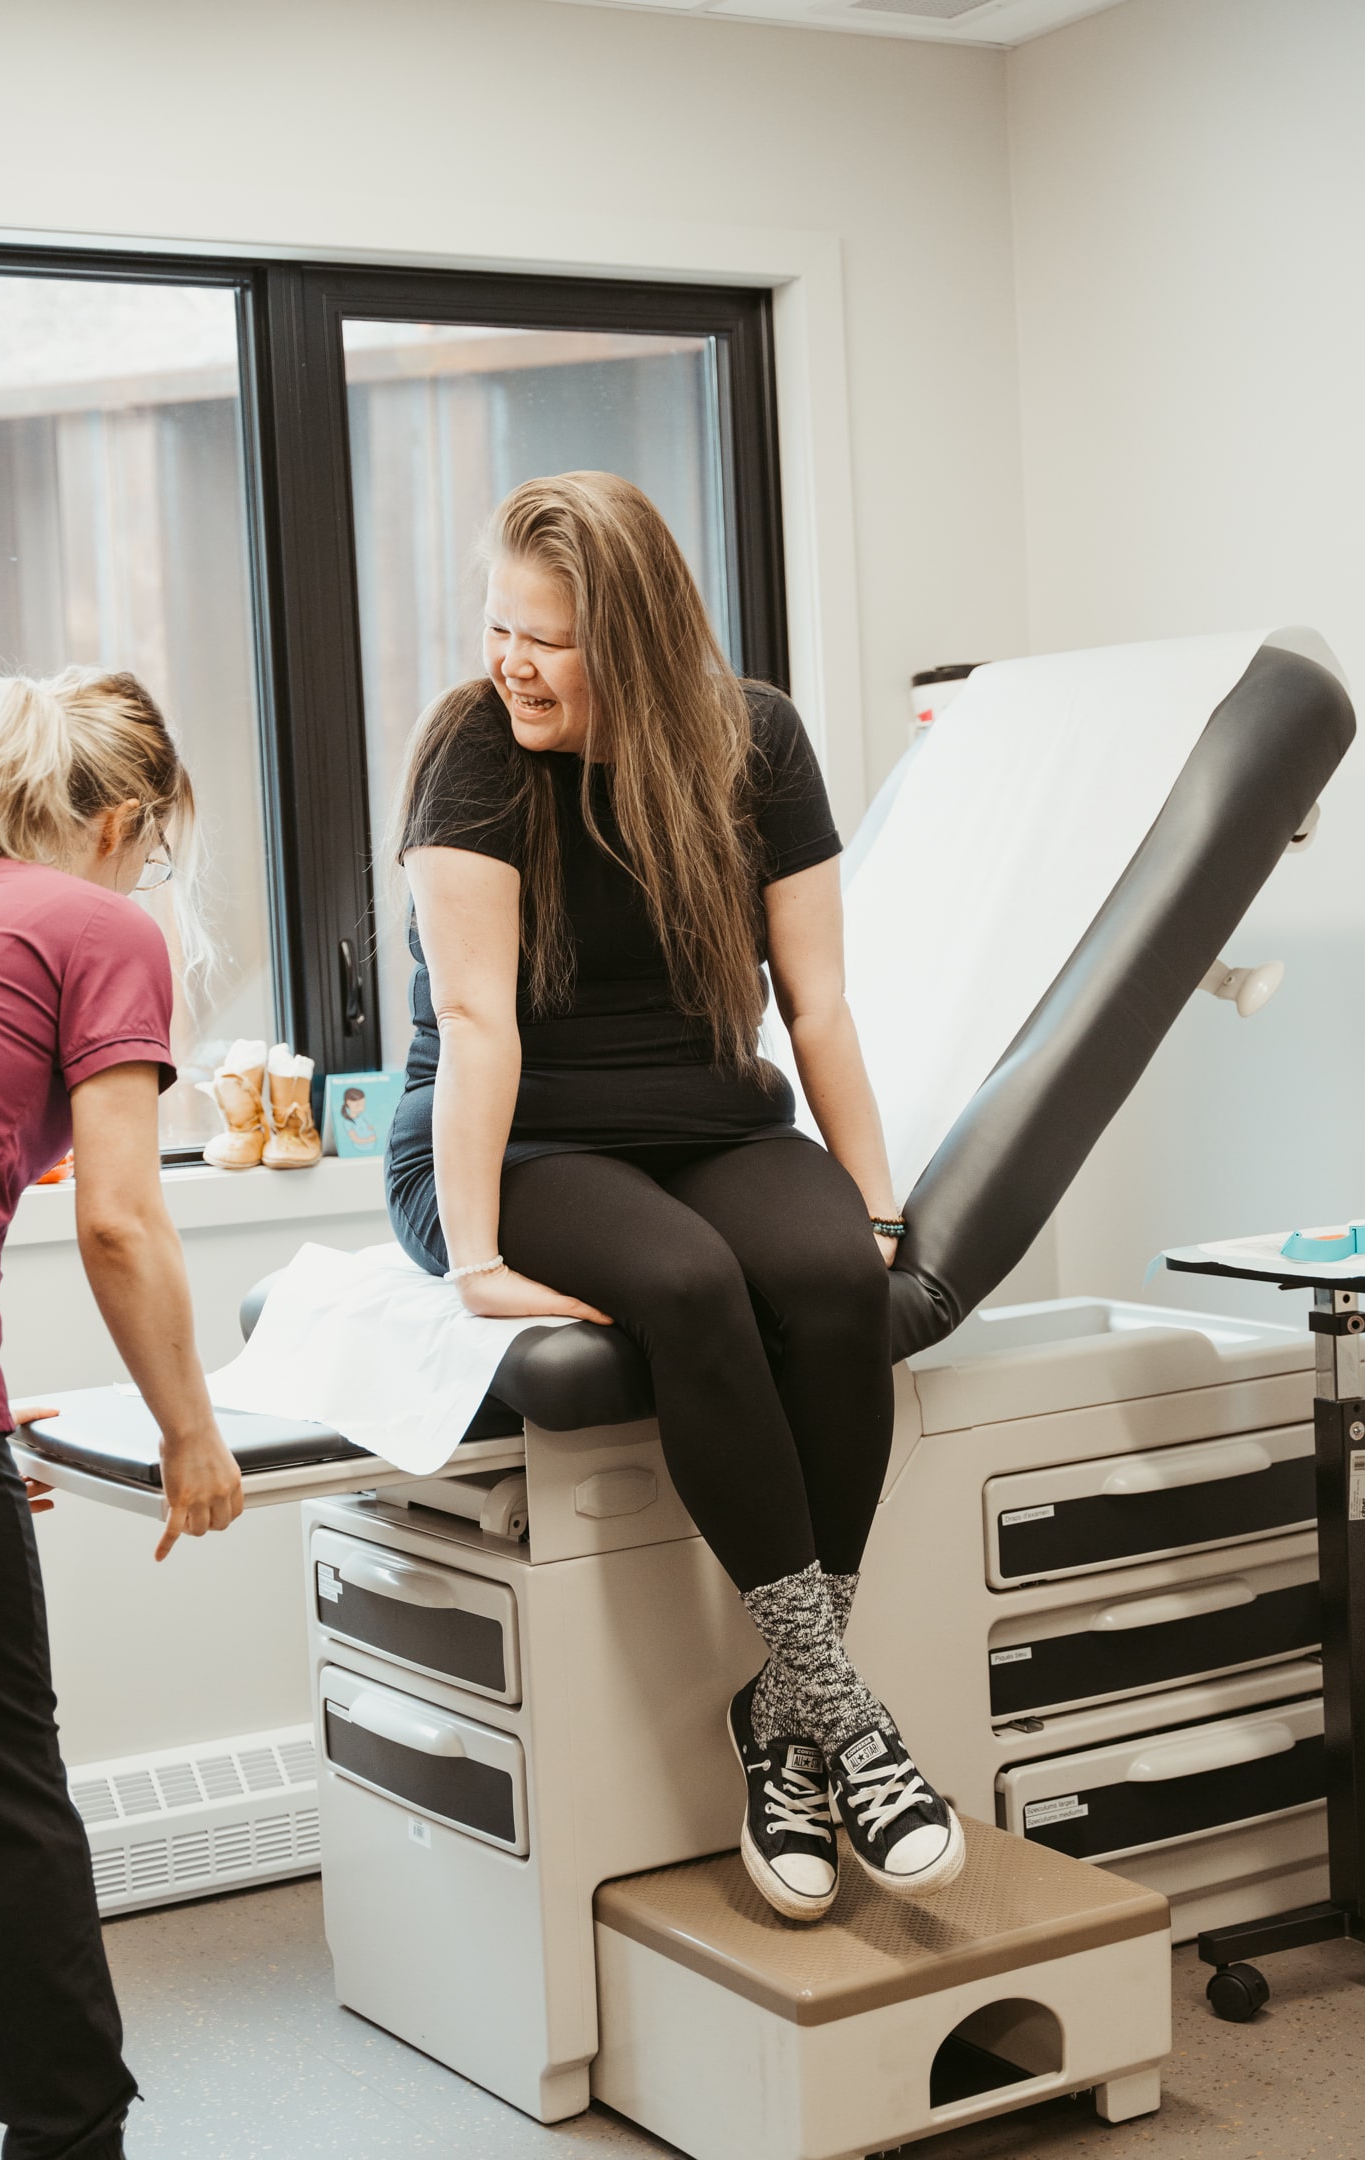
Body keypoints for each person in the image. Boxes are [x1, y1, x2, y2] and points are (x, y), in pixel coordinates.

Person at [386, 473, 963, 1925]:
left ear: (637, 644)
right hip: (515, 1141)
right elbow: (475, 1024)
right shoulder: (473, 749)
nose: (510, 661)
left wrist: (880, 1212)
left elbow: (816, 1007)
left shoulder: (753, 739)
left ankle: (781, 1720)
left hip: (708, 1115)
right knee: (695, 1286)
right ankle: (843, 1716)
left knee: (835, 1286)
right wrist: (471, 1264)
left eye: (549, 639)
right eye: (499, 625)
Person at [0, 668, 245, 2159]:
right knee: (7, 1790)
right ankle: (71, 2136)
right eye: (148, 849)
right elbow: (124, 1225)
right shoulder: (100, 926)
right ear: (125, 821)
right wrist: (190, 1433)